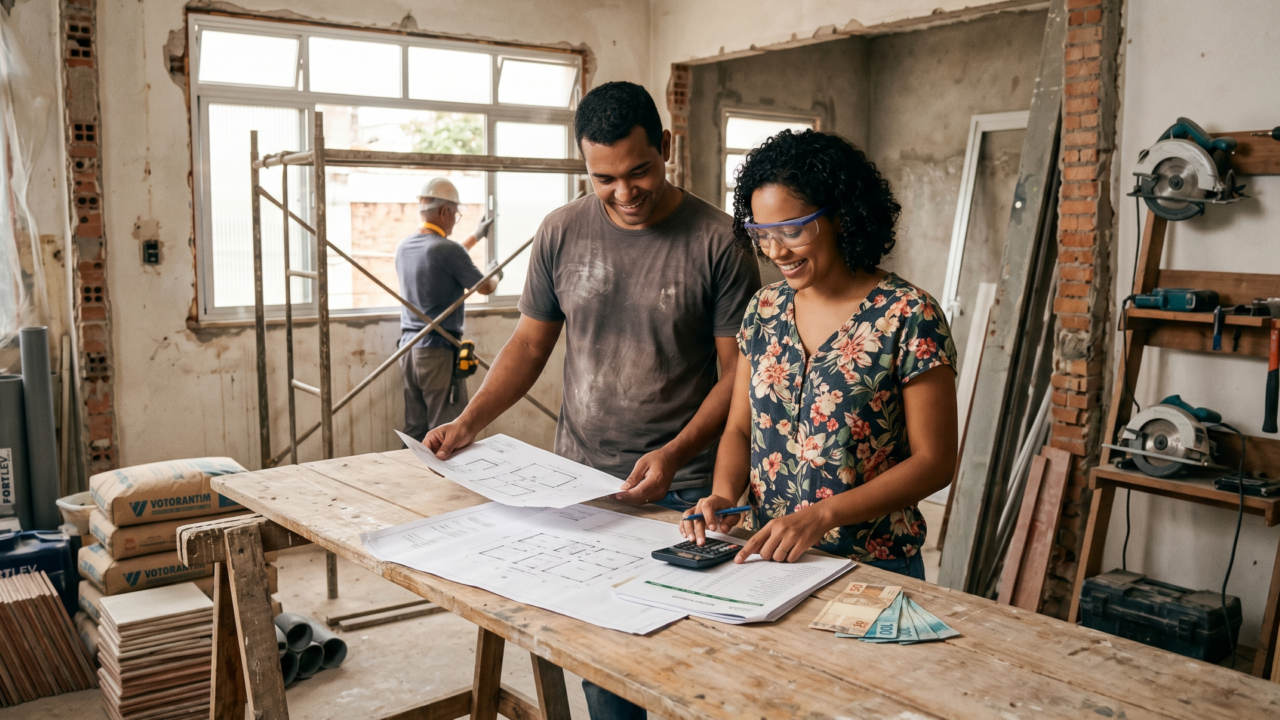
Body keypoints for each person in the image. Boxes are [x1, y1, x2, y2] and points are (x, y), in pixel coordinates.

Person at [425, 81, 760, 720]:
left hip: (684, 492)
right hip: (578, 486)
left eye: (639, 171)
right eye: (603, 178)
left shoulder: (719, 242)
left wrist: (674, 451)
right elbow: (528, 345)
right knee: (603, 670)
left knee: (692, 664)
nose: (624, 193)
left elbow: (735, 377)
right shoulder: (560, 232)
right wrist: (469, 421)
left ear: (664, 147)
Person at [681, 129, 958, 583]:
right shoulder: (764, 309)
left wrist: (822, 516)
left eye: (791, 230)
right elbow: (738, 427)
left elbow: (935, 463)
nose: (775, 251)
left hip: (872, 567)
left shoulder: (908, 315)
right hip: (768, 562)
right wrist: (721, 497)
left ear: (843, 218)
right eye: (761, 233)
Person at [395, 177, 498, 439]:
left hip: (408, 349)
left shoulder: (405, 247)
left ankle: (412, 479)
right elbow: (485, 287)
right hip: (438, 353)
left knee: (416, 429)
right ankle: (443, 482)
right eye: (455, 214)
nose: (455, 220)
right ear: (444, 212)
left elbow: (441, 256)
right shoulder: (447, 250)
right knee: (447, 430)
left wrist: (475, 236)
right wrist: (496, 274)